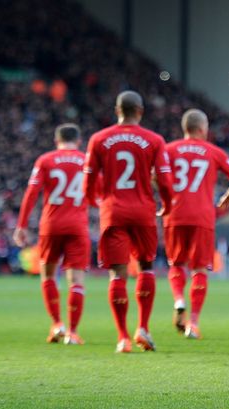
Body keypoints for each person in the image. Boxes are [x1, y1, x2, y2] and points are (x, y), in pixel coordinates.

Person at [83, 91, 173, 353]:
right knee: (146, 268)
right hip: (143, 211)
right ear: (140, 111)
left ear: (117, 110)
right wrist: (166, 203)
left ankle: (122, 337)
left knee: (117, 274)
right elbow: (165, 180)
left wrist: (94, 200)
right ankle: (143, 328)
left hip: (113, 211)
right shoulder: (154, 140)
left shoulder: (99, 139)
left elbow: (88, 178)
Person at [164, 109, 229, 339]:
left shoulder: (169, 150)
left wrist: (165, 194)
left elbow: (153, 174)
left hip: (175, 214)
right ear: (202, 128)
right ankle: (194, 323)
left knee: (177, 264)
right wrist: (228, 196)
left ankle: (179, 299)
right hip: (202, 216)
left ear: (185, 128)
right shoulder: (213, 151)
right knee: (199, 269)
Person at [14, 124, 89, 345]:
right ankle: (72, 332)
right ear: (78, 140)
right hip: (78, 226)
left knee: (48, 276)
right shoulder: (86, 161)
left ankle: (57, 324)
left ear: (57, 141)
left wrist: (21, 225)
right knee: (76, 280)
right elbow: (98, 192)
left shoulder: (45, 160)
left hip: (51, 225)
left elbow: (31, 193)